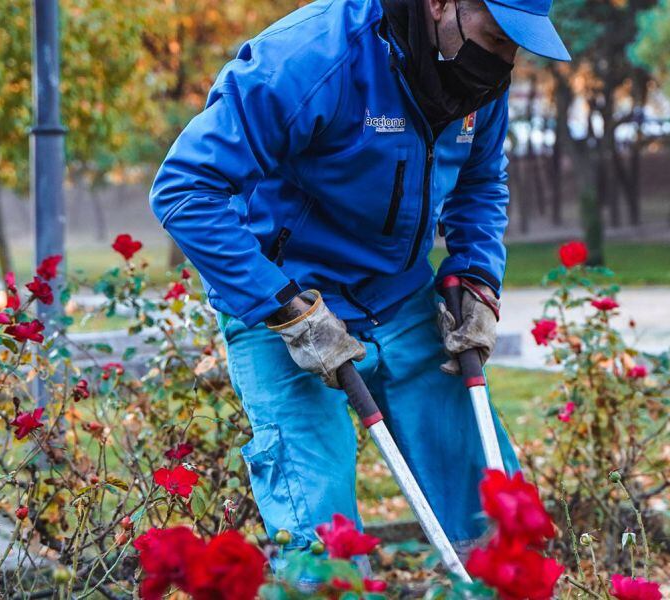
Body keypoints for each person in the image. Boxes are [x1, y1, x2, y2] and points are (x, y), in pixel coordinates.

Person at [148, 0, 570, 566]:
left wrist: (476, 273)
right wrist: (283, 309)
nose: (504, 60)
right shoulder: (310, 59)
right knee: (323, 536)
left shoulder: (477, 82)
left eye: (515, 45)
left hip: (397, 294)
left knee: (489, 508)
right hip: (281, 302)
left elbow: (480, 181)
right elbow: (184, 190)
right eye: (496, 37)